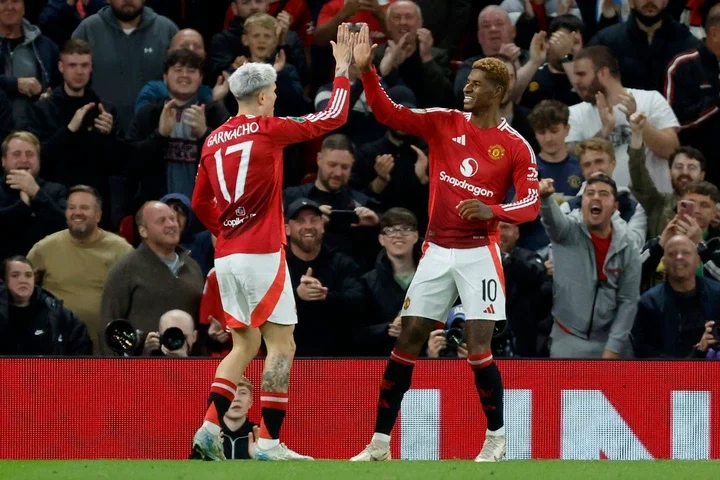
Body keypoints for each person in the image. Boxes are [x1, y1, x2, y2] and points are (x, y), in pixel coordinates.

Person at [350, 24, 540, 462]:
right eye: (467, 82)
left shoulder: (514, 146)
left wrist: (497, 210)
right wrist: (368, 74)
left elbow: (529, 203)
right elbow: (389, 113)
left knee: (478, 347)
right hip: (436, 249)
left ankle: (496, 438)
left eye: (476, 84)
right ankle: (379, 444)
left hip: (479, 253)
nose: (467, 89)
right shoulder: (443, 123)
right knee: (409, 338)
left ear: (498, 90)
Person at [189, 24, 353, 461]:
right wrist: (341, 71)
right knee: (282, 345)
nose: (277, 98)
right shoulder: (268, 128)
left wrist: (226, 230)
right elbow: (333, 118)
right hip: (262, 251)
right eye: (275, 92)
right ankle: (270, 444)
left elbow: (199, 203)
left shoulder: (212, 139)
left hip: (227, 256)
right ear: (262, 97)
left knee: (244, 344)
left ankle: (208, 429)